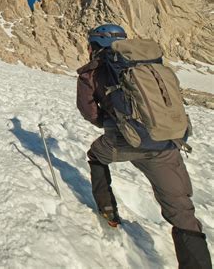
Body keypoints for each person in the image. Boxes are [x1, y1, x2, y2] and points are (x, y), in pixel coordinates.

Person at [76, 24, 212, 268]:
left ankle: (108, 210)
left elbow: (88, 112)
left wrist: (114, 123)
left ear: (95, 45)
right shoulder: (150, 63)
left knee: (96, 156)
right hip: (166, 141)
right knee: (181, 210)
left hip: (124, 141)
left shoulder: (93, 72)